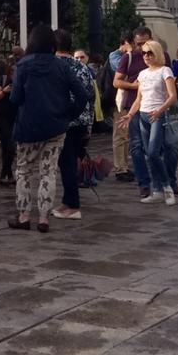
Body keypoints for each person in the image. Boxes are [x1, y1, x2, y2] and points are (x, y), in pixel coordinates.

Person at [10, 25, 87, 231]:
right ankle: (44, 218)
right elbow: (82, 94)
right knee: (48, 172)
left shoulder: (23, 66)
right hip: (55, 126)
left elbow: (15, 97)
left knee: (24, 171)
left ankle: (24, 216)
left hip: (28, 126)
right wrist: (69, 113)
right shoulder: (61, 66)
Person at [119, 39, 178, 206]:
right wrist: (130, 115)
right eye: (144, 53)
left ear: (157, 53)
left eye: (150, 53)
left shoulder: (165, 70)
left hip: (157, 115)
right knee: (149, 155)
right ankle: (156, 190)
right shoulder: (142, 74)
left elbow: (172, 96)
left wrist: (160, 110)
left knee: (154, 152)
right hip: (143, 115)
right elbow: (139, 99)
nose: (146, 56)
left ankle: (167, 187)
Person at [53, 29, 96, 220]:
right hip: (82, 119)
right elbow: (91, 95)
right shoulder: (82, 66)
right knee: (68, 162)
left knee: (66, 163)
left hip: (65, 119)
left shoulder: (57, 66)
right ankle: (67, 201)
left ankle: (73, 205)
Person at [114, 26, 155, 197]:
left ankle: (162, 178)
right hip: (132, 104)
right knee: (134, 143)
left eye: (145, 43)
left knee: (155, 146)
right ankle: (142, 181)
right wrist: (134, 86)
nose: (142, 48)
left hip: (155, 107)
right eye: (138, 44)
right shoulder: (128, 57)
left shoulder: (161, 56)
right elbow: (116, 82)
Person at [0, 50, 19, 185]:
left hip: (13, 116)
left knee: (9, 147)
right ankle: (5, 174)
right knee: (8, 145)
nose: (14, 75)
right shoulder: (2, 79)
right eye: (12, 73)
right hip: (1, 116)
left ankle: (6, 174)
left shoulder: (20, 82)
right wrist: (5, 91)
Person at [109, 34, 136, 182]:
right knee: (120, 134)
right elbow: (124, 72)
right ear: (126, 43)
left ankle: (124, 165)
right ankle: (120, 168)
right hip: (119, 100)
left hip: (129, 100)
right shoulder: (116, 55)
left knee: (126, 136)